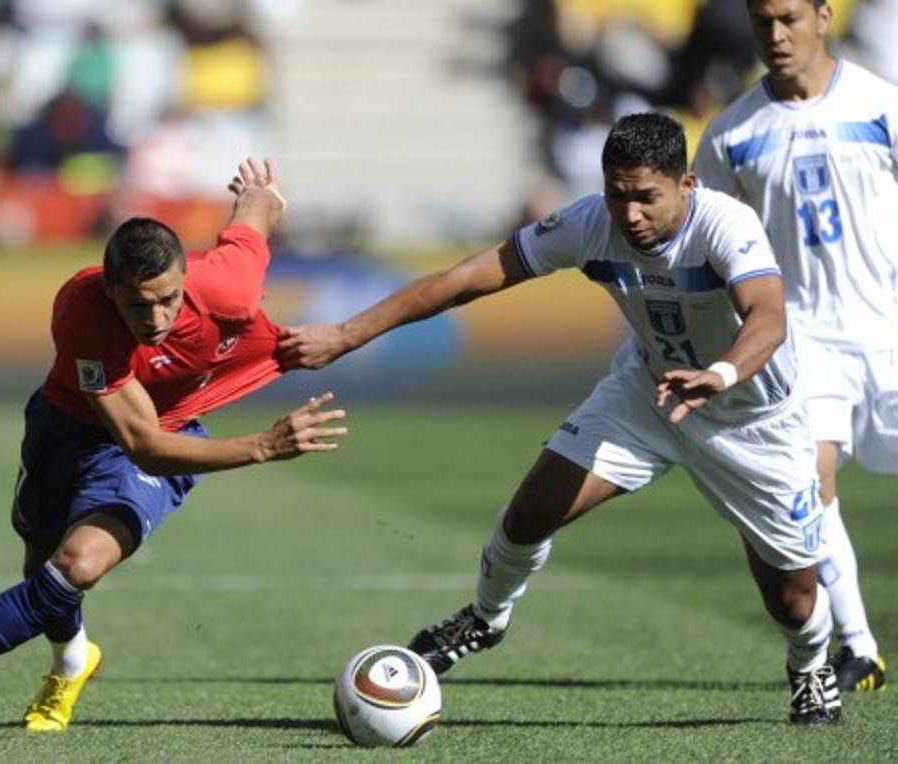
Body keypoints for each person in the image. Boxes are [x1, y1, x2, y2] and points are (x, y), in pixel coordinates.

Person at [281, 112, 843, 725]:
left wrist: (722, 374)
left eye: (646, 197)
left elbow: (768, 315)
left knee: (792, 602)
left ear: (686, 185)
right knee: (531, 511)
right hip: (650, 396)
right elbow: (468, 277)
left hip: (751, 418)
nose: (629, 215)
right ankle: (485, 618)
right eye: (616, 194)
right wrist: (345, 334)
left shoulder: (725, 224)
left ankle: (810, 666)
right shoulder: (590, 223)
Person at [0, 158, 349, 732]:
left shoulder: (227, 285)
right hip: (70, 429)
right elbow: (139, 440)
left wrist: (263, 193)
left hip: (158, 438)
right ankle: (73, 660)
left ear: (183, 277)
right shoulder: (81, 313)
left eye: (167, 298)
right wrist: (265, 446)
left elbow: (253, 224)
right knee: (43, 573)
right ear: (110, 289)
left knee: (78, 564)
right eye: (137, 303)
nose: (155, 317)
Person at [692, 0, 898, 693]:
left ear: (823, 15)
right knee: (812, 485)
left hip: (897, 336)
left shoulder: (881, 102)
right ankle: (859, 644)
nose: (775, 36)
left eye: (788, 18)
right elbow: (707, 240)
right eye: (762, 22)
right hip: (802, 342)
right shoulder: (729, 134)